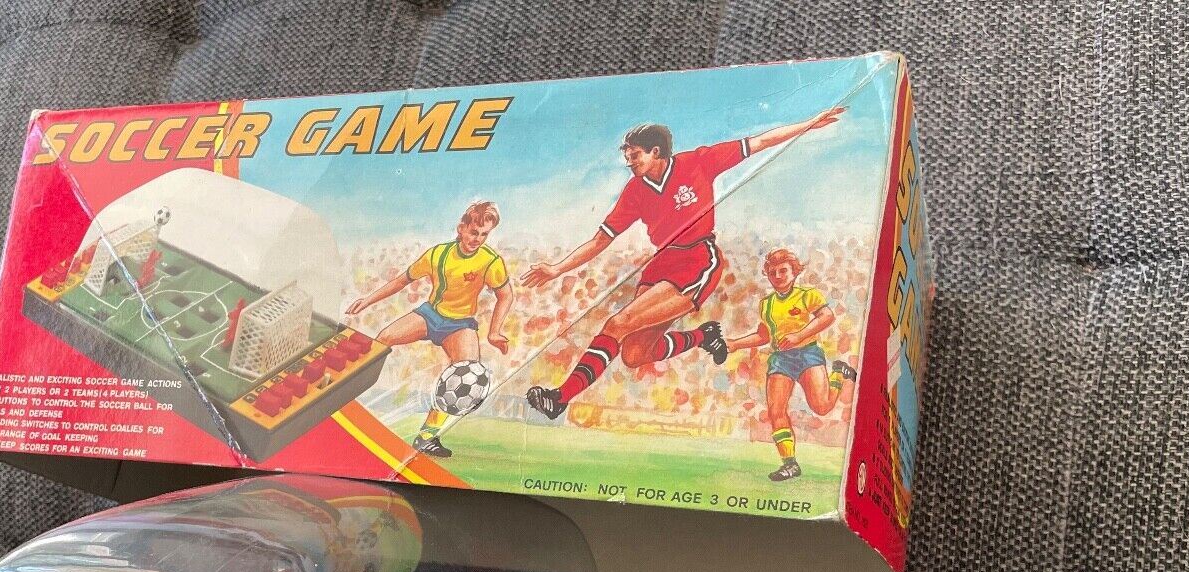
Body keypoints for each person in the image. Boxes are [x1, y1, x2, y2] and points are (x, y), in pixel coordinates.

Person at [520, 109, 843, 418]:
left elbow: (758, 143)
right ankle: (702, 336)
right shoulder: (634, 191)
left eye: (634, 155)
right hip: (661, 264)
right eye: (627, 156)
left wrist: (807, 124)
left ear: (655, 151)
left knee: (618, 324)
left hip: (697, 259)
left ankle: (559, 398)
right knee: (634, 355)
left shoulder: (698, 162)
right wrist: (557, 269)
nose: (629, 162)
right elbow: (600, 240)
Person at [347, 201, 514, 458]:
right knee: (382, 339)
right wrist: (368, 300)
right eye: (473, 232)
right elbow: (402, 280)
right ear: (461, 228)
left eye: (484, 235)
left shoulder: (491, 261)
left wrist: (494, 331)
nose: (477, 239)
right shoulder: (437, 254)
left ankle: (426, 437)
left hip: (460, 325)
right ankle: (345, 396)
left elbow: (505, 296)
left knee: (466, 373)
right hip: (430, 315)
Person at [723, 248, 854, 481]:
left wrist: (799, 335)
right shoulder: (767, 304)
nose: (778, 276)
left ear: (794, 271)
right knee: (776, 410)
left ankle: (838, 374)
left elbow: (827, 317)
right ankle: (790, 464)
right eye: (772, 272)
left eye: (783, 271)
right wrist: (735, 343)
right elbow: (764, 335)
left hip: (807, 353)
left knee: (821, 407)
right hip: (781, 359)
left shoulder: (807, 295)